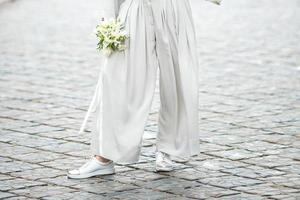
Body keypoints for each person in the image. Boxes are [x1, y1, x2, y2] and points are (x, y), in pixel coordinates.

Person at [67, 0, 202, 179]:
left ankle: (169, 148)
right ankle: (104, 157)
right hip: (135, 7)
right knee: (118, 78)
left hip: (172, 7)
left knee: (177, 81)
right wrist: (109, 21)